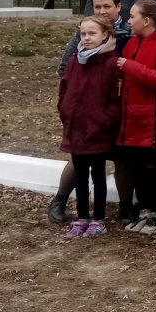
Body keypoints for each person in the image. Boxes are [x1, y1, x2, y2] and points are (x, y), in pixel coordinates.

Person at [50, 0, 133, 225]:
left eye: (107, 6)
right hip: (84, 115)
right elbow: (64, 68)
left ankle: (126, 205)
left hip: (115, 111)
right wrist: (68, 108)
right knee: (79, 160)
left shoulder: (130, 33)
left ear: (118, 7)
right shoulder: (83, 34)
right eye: (97, 6)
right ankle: (60, 199)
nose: (102, 11)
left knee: (122, 160)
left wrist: (107, 115)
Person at [116, 0, 156, 235]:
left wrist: (131, 67)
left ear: (146, 20)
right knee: (135, 166)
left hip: (151, 120)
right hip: (130, 118)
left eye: (132, 17)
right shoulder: (132, 43)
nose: (129, 21)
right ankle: (143, 209)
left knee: (152, 167)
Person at [57, 15, 121, 239]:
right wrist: (66, 112)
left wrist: (104, 120)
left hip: (98, 131)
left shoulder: (112, 64)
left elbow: (115, 99)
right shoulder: (75, 62)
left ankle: (99, 218)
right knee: (80, 176)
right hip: (76, 128)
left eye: (92, 33)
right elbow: (64, 90)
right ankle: (82, 217)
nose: (87, 38)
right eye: (83, 34)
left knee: (98, 176)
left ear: (105, 35)